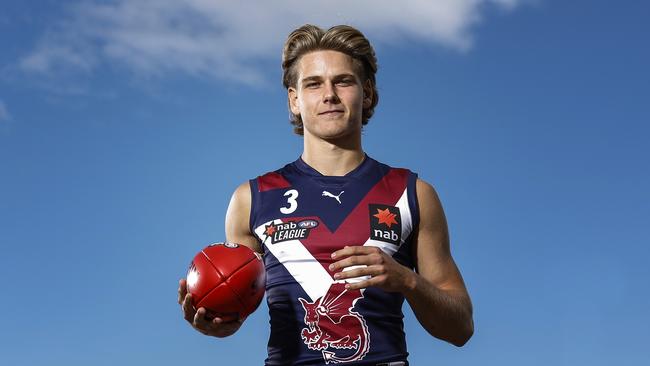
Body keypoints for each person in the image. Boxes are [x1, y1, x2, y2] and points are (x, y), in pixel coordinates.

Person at [178, 24, 474, 365]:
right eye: (313, 83)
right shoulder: (252, 198)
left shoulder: (413, 193)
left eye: (343, 81)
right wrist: (221, 322)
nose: (329, 94)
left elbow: (461, 328)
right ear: (294, 100)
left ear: (367, 94)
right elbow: (237, 301)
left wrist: (407, 280)